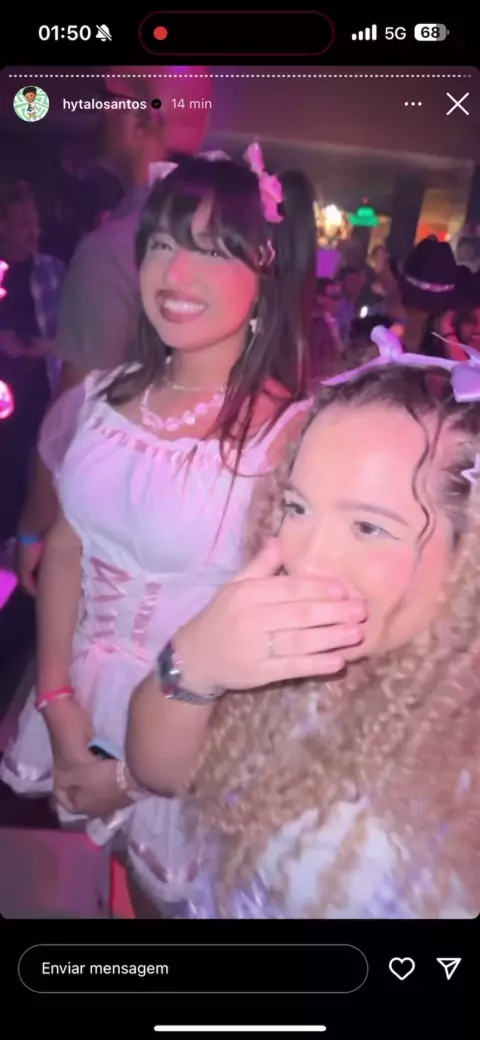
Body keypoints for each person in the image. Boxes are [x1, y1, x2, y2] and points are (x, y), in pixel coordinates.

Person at [0, 149, 319, 916]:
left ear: (267, 272)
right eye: (164, 243)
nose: (175, 273)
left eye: (212, 250)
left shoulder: (291, 439)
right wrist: (58, 701)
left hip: (200, 745)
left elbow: (282, 650)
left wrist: (131, 775)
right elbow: (68, 546)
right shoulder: (102, 396)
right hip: (81, 701)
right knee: (111, 889)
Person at [126, 325, 480, 919]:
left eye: (368, 527)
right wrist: (195, 662)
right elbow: (162, 773)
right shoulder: (307, 656)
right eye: (297, 507)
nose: (307, 560)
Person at [15, 64, 212, 594]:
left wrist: (33, 527)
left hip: (107, 532)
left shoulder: (116, 247)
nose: (97, 110)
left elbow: (75, 405)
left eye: (106, 96)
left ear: (140, 120)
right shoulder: (225, 239)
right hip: (193, 532)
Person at [0, 181, 65, 540]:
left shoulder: (53, 270)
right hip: (5, 400)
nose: (34, 232)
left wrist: (42, 347)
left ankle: (32, 547)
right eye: (24, 223)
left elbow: (77, 334)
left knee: (42, 475)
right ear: (3, 226)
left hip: (45, 393)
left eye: (35, 223)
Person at [310, 277, 342, 381]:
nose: (337, 302)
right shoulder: (314, 325)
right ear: (319, 298)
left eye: (338, 297)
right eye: (334, 297)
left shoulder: (330, 321)